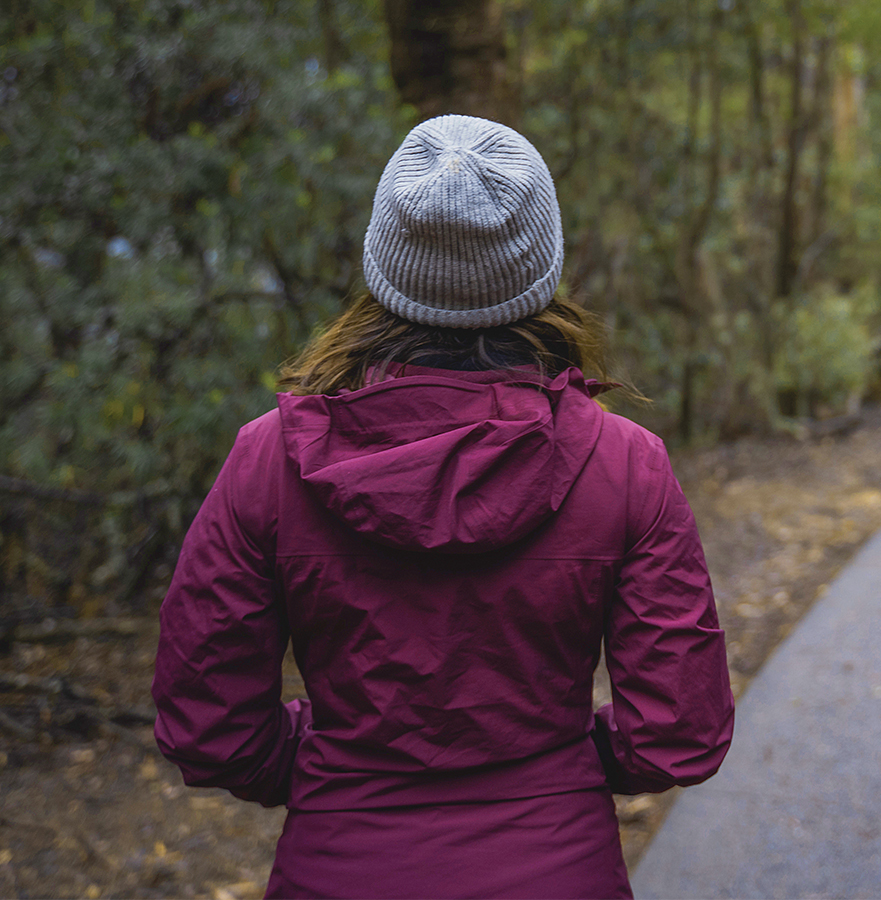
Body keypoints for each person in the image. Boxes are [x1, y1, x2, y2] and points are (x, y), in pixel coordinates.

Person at [151, 115, 735, 899]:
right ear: (541, 266)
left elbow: (207, 725)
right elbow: (680, 733)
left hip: (340, 867)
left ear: (384, 262)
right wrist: (559, 766)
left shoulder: (270, 459)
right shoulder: (625, 465)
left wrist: (329, 762)